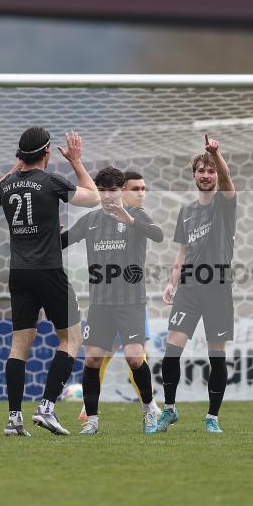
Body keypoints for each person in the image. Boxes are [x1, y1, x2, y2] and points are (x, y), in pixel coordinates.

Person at [0, 127, 99, 437]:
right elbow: (92, 198)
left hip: (18, 273)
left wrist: (15, 168)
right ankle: (46, 408)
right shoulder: (50, 181)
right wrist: (76, 161)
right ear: (47, 153)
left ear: (20, 156)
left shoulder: (7, 187)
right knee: (71, 339)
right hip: (48, 270)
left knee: (19, 346)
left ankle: (14, 420)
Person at [62, 167, 164, 435]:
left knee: (134, 359)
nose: (108, 196)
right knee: (92, 360)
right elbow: (62, 242)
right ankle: (92, 422)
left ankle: (148, 409)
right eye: (103, 190)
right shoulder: (91, 220)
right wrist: (48, 232)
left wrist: (130, 221)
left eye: (113, 190)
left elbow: (158, 235)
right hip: (100, 304)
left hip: (130, 302)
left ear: (121, 191)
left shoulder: (137, 216)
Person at [157, 135, 236, 434]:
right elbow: (182, 251)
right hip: (189, 287)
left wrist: (216, 154)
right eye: (201, 171)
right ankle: (170, 410)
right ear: (194, 175)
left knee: (216, 355)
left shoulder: (225, 204)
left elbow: (229, 181)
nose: (206, 175)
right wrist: (171, 282)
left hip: (218, 286)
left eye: (211, 170)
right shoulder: (186, 212)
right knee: (171, 351)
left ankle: (212, 418)